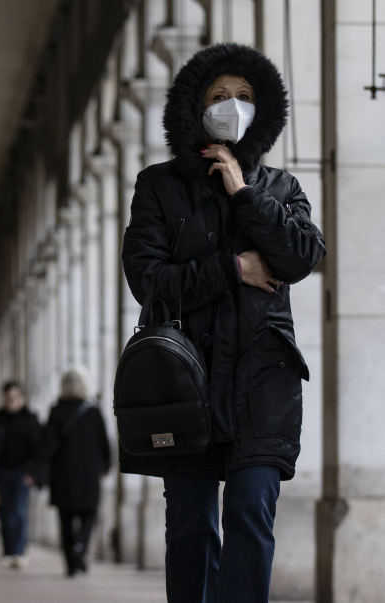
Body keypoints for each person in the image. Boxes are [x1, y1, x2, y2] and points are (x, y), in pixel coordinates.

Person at [121, 43, 325, 602]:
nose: (232, 106)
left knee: (250, 512)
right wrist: (233, 269)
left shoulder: (280, 188)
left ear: (264, 109)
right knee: (190, 527)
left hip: (262, 382)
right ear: (195, 106)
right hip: (183, 382)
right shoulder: (158, 186)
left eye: (244, 96)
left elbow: (302, 256)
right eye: (219, 96)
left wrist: (243, 192)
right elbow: (148, 281)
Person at [40, 367, 110, 577]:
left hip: (63, 473)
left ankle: (71, 563)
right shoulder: (93, 411)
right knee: (89, 514)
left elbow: (47, 443)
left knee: (66, 518)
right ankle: (81, 548)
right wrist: (106, 465)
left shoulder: (56, 411)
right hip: (88, 472)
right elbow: (104, 442)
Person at [0, 381, 41, 569]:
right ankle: (8, 551)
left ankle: (19, 551)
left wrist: (33, 473)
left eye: (16, 397)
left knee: (19, 511)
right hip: (1, 473)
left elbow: (38, 449)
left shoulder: (30, 420)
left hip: (22, 474)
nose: (12, 401)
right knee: (5, 512)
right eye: (9, 398)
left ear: (22, 398)